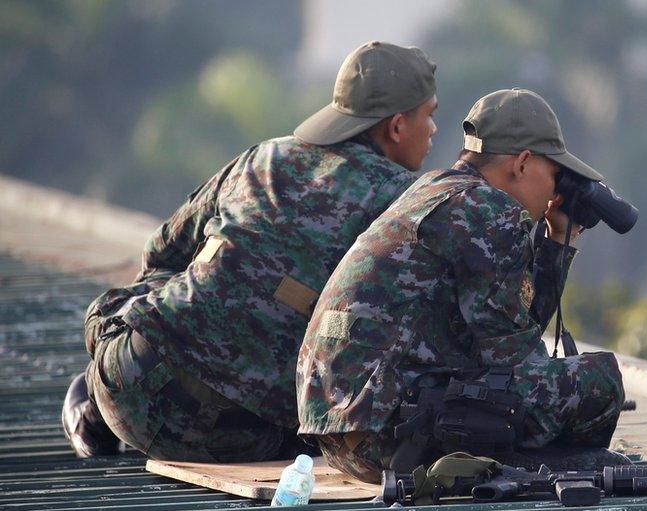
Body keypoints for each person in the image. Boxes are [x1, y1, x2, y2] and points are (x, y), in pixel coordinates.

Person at [62, 41, 438, 463]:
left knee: (156, 288)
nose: (434, 130)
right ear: (398, 127)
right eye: (430, 115)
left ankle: (90, 407)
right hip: (245, 432)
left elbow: (163, 251)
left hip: (127, 386)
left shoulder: (264, 157)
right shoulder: (407, 203)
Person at [296, 88, 625, 483]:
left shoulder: (432, 189)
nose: (554, 193)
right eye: (554, 175)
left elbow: (507, 327)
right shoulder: (490, 211)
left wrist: (558, 240)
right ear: (522, 163)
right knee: (599, 381)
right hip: (393, 437)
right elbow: (515, 354)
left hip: (343, 437)